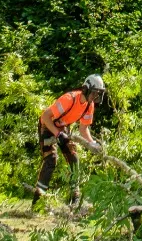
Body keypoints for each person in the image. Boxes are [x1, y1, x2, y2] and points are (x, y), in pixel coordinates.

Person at [31, 73, 106, 209]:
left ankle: (74, 198)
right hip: (47, 126)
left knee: (74, 158)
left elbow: (84, 129)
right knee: (50, 160)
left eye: (98, 94)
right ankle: (38, 201)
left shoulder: (89, 106)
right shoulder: (69, 99)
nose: (96, 97)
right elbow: (45, 116)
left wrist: (91, 143)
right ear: (86, 89)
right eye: (94, 93)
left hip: (62, 127)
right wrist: (57, 133)